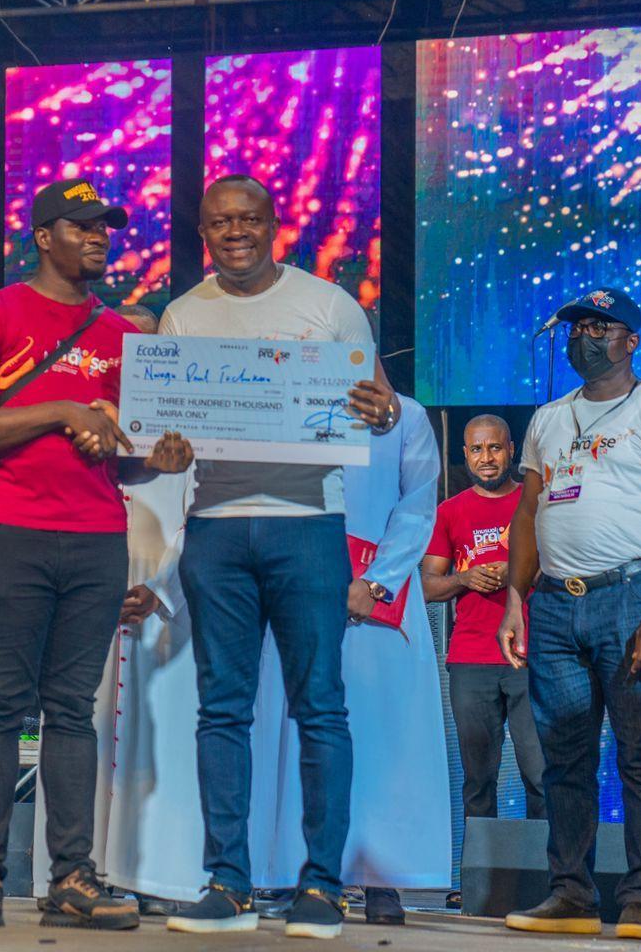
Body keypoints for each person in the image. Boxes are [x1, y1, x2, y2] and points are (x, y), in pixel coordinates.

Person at [0, 177, 189, 931]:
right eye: (81, 227)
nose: (99, 237)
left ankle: (73, 876)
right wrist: (60, 409)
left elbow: (129, 455)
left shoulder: (124, 335)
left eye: (104, 228)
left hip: (96, 538)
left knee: (72, 711)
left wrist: (160, 460)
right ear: (43, 236)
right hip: (10, 532)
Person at [160, 174, 395, 940]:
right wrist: (161, 443)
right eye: (220, 221)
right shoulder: (182, 314)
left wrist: (383, 409)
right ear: (205, 232)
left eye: (249, 219)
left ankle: (320, 889)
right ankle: (226, 884)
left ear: (273, 225)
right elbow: (161, 429)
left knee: (319, 706)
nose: (236, 231)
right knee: (221, 710)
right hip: (216, 526)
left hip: (307, 525)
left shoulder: (328, 305)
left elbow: (380, 406)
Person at [497, 286, 641, 941]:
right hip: (555, 604)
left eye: (600, 327)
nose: (585, 337)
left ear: (631, 340)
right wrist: (514, 597)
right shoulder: (549, 418)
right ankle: (571, 895)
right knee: (564, 759)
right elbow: (528, 513)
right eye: (577, 327)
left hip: (629, 599)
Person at [249, 393, 450, 926]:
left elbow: (418, 504)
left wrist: (377, 582)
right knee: (301, 731)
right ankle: (309, 873)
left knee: (383, 737)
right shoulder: (290, 405)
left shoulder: (407, 417)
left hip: (378, 597)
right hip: (300, 585)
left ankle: (382, 878)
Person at [31, 303, 206, 911]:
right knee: (83, 726)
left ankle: (151, 875)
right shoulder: (87, 417)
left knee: (156, 745)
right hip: (89, 585)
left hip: (163, 601)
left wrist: (162, 586)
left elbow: (199, 514)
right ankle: (73, 869)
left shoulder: (190, 421)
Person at [422, 415, 545, 873]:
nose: (486, 458)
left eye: (494, 448)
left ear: (511, 449)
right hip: (471, 658)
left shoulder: (536, 504)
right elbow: (427, 585)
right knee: (478, 780)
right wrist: (465, 577)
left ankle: (545, 882)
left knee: (541, 775)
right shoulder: (450, 511)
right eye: (476, 450)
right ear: (466, 455)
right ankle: (478, 882)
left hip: (531, 656)